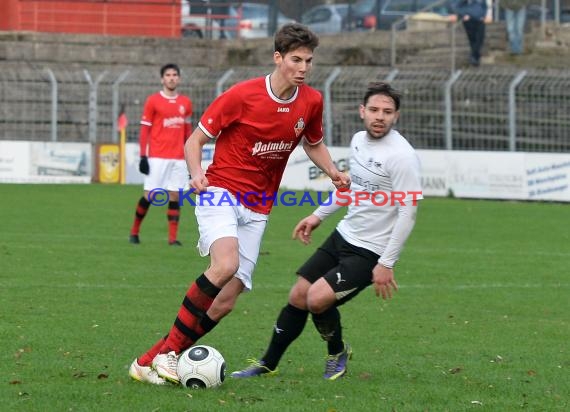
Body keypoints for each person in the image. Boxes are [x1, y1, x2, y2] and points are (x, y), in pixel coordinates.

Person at [128, 23, 350, 385]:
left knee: (226, 300)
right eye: (296, 59)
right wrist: (197, 173)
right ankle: (169, 356)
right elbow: (194, 141)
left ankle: (149, 360)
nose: (304, 67)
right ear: (278, 58)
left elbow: (312, 142)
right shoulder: (242, 95)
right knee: (225, 264)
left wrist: (333, 171)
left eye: (309, 60)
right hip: (221, 192)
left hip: (259, 207)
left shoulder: (311, 101)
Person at [230, 81, 423, 381]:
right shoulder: (358, 140)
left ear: (396, 116)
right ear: (362, 111)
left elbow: (408, 212)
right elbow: (352, 189)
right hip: (343, 235)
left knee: (317, 299)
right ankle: (268, 364)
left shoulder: (402, 156)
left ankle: (337, 353)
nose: (379, 116)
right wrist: (317, 216)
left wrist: (386, 262)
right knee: (298, 295)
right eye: (373, 109)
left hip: (370, 251)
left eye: (387, 111)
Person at [128, 63, 192, 246]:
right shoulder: (153, 101)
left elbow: (188, 133)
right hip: (157, 156)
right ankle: (134, 232)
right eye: (168, 75)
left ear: (179, 78)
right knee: (151, 195)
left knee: (175, 196)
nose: (171, 78)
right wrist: (143, 156)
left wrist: (189, 158)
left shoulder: (185, 103)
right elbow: (144, 130)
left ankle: (173, 239)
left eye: (174, 75)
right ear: (162, 79)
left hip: (179, 158)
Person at [452, 0, 488, 66]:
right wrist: (463, 15)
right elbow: (456, 6)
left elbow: (484, 6)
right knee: (472, 39)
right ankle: (475, 58)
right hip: (469, 20)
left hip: (479, 19)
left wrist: (483, 15)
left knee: (480, 38)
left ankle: (474, 56)